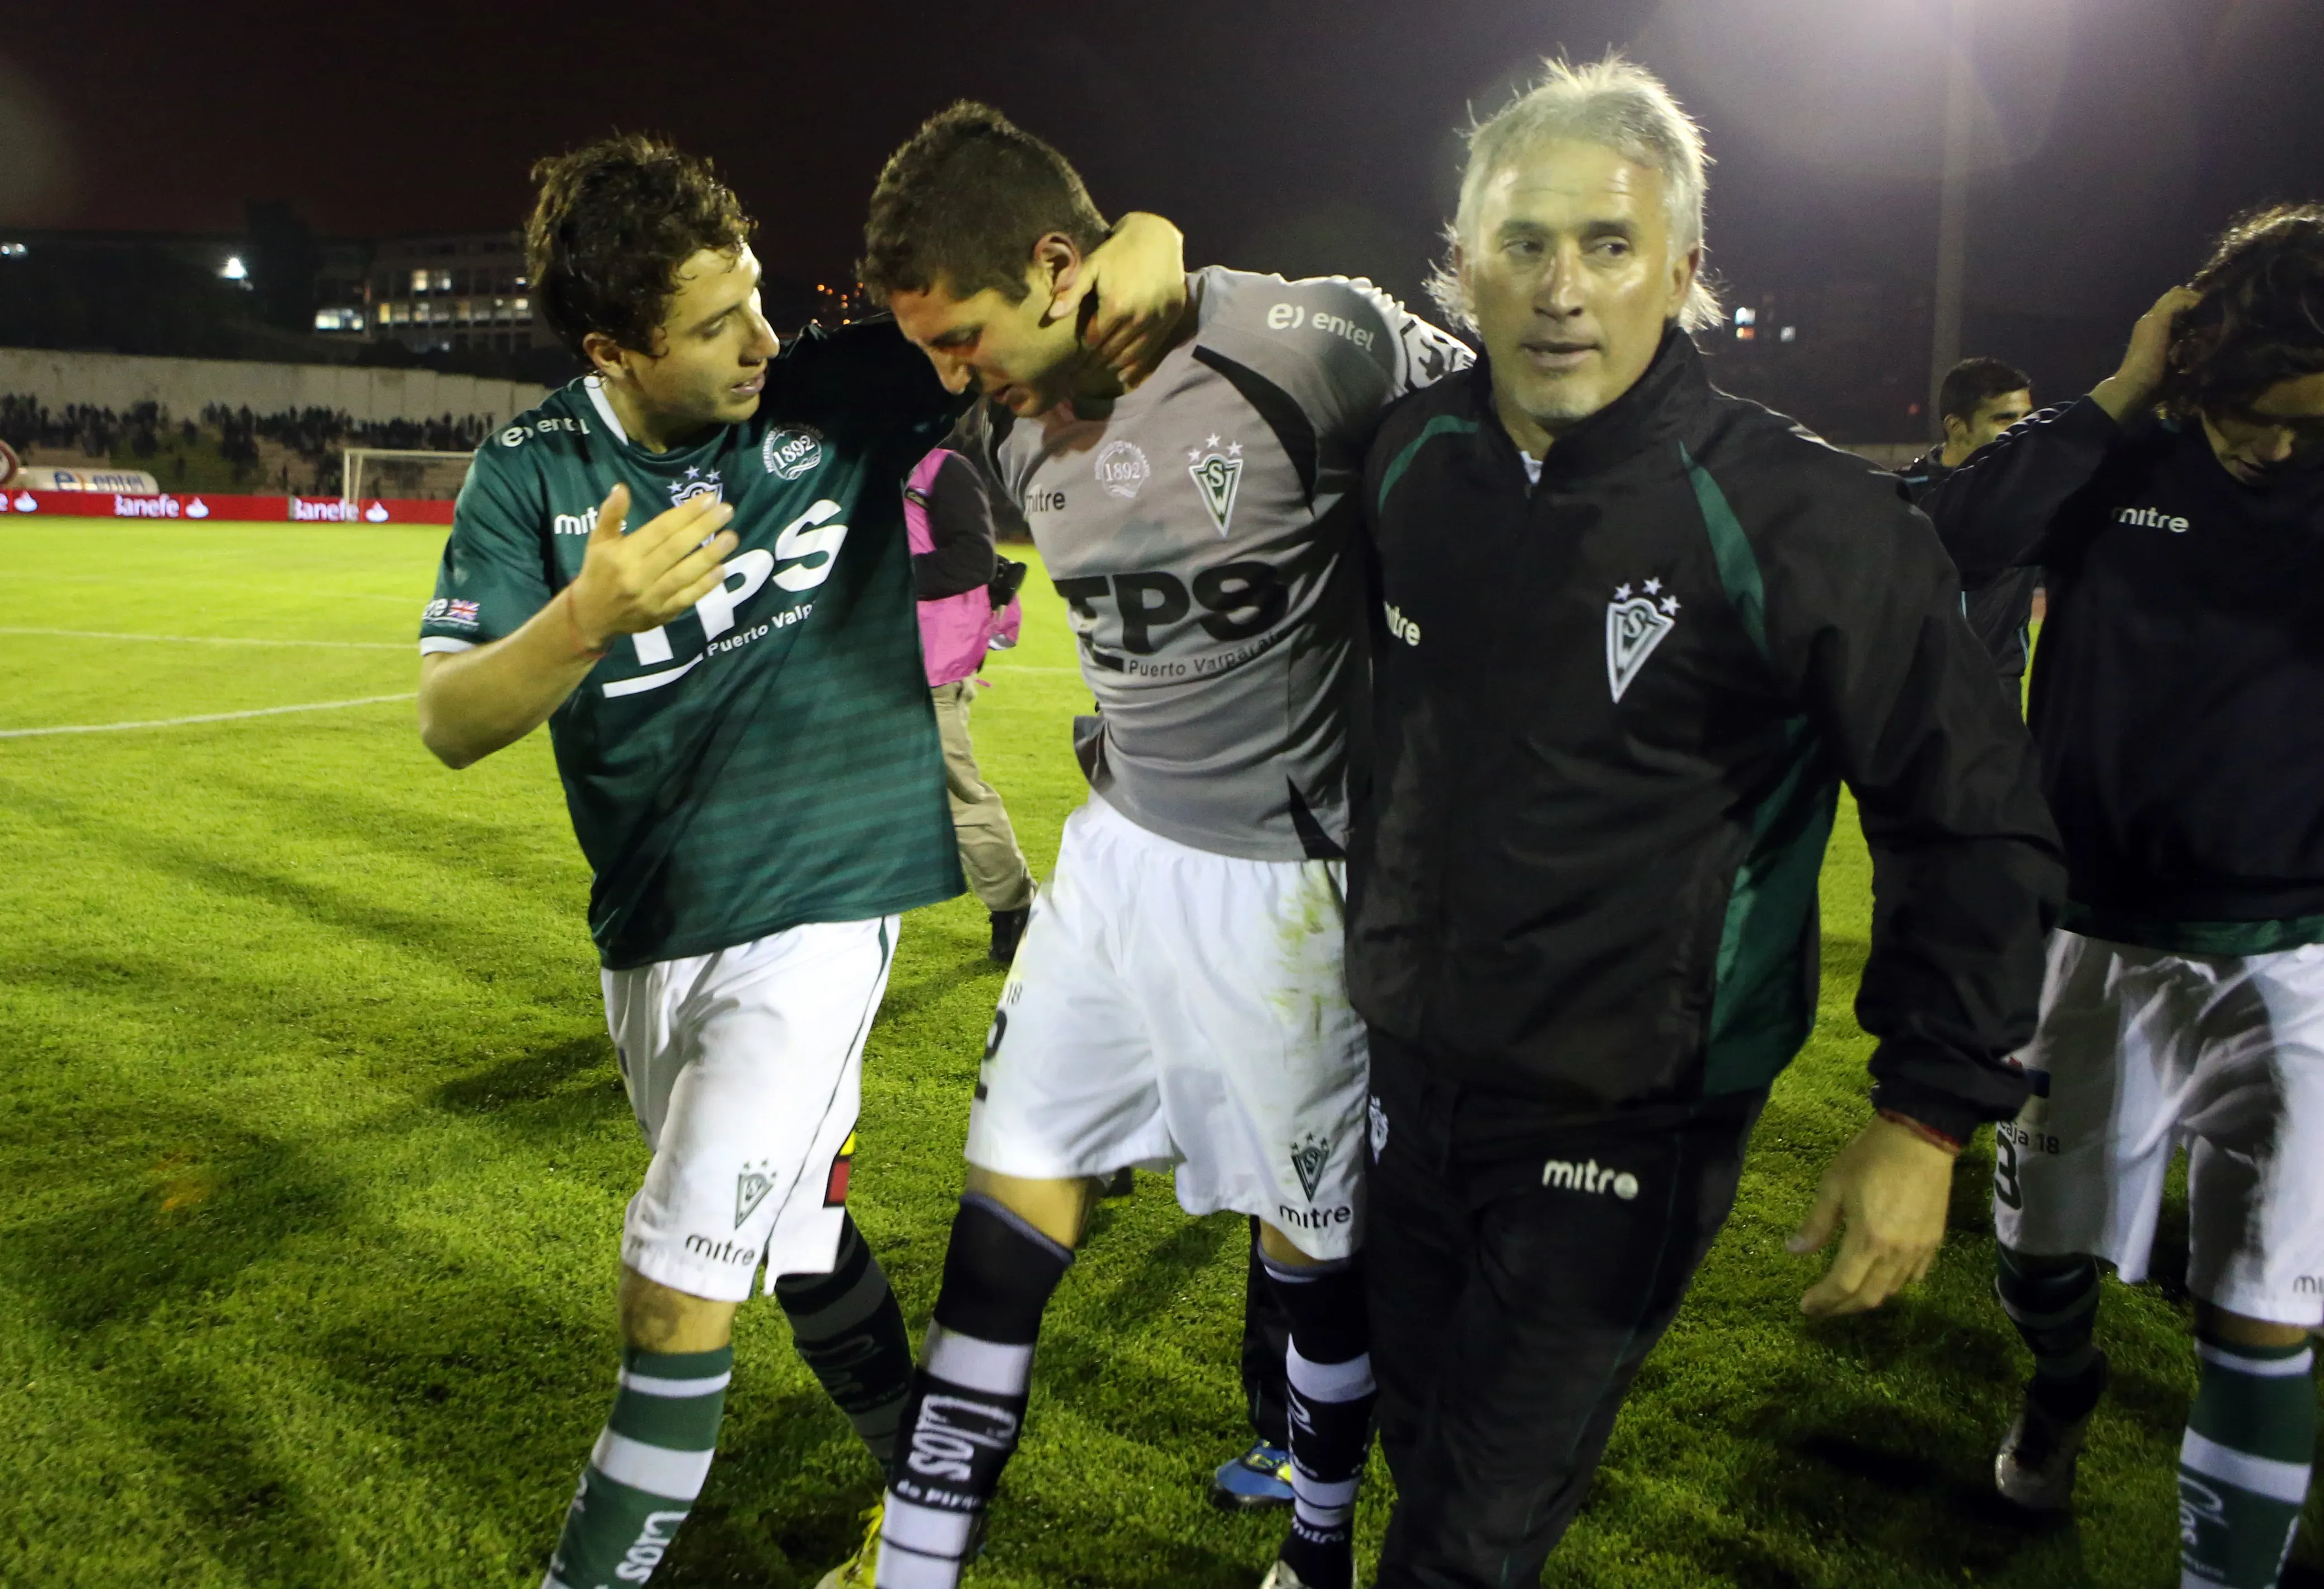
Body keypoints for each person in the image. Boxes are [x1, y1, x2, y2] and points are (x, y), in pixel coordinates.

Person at [411, 134, 1182, 1589]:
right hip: (660, 923)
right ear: (615, 350)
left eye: (758, 297)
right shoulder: (533, 474)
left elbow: (1044, 274)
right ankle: (928, 1480)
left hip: (826, 903)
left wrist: (1141, 235)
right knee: (800, 1238)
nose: (766, 337)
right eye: (717, 324)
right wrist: (582, 618)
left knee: (678, 1269)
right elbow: (453, 718)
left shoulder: (840, 388)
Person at [1350, 57, 2064, 1588]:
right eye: (1524, 241)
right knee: (1424, 1460)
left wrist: (1929, 1111)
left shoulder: (1805, 516)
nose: (1562, 287)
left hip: (1627, 1113)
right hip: (1407, 1076)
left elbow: (1975, 815)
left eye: (1609, 246)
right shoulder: (1412, 462)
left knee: (1460, 1547)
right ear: (1461, 260)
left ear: (1681, 269)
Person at [856, 102, 1473, 1589]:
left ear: (1059, 264)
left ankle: (1321, 1550)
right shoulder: (1002, 427)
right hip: (1115, 870)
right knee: (1006, 1207)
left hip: (1294, 895)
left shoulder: (1300, 344)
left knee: (1315, 1254)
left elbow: (1515, 390)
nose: (952, 375)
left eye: (964, 337)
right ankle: (919, 1563)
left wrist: (1177, 254)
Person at [1931, 204, 2324, 1589]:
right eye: (2250, 410)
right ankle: (2062, 1385)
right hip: (2088, 941)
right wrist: (2116, 391)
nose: (2274, 444)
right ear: (2192, 365)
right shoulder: (2118, 459)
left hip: (2294, 956)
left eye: (2305, 421)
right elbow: (1955, 537)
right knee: (2042, 1262)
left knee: (2264, 1310)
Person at [905, 445, 1037, 963]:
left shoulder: (940, 468)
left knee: (957, 796)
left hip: (928, 666)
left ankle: (1014, 906)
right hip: (848, 659)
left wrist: (874, 582)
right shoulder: (835, 464)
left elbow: (972, 561)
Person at [1901, 357, 2039, 708]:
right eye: (2004, 419)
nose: (2022, 430)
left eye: (2027, 417)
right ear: (1957, 426)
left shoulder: (2038, 497)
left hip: (1997, 695)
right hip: (1913, 697)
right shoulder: (1900, 496)